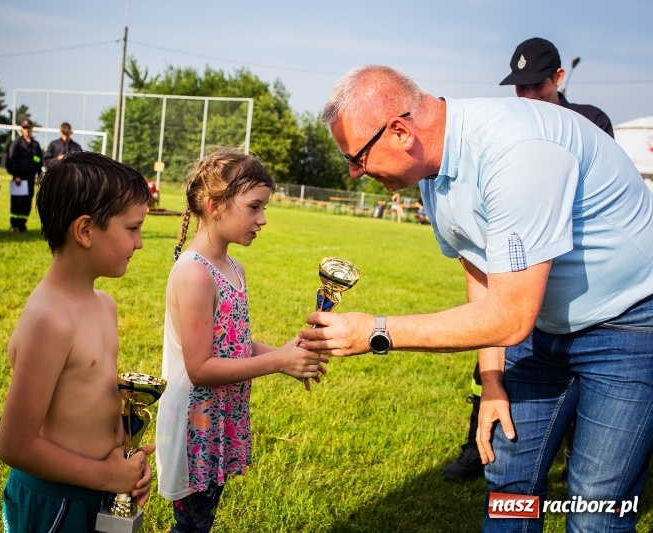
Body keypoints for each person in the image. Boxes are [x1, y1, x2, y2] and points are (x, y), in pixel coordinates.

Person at [300, 65, 653, 532]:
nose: (354, 172)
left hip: (629, 323)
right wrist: (492, 381)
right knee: (509, 477)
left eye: (357, 157)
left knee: (595, 503)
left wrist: (377, 331)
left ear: (401, 132)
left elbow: (509, 317)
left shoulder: (517, 150)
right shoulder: (433, 170)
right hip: (541, 326)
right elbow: (481, 274)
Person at [443, 37, 616, 483]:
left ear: (559, 78)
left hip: (573, 281)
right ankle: (478, 447)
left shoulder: (591, 122)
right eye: (519, 87)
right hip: (516, 271)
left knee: (585, 381)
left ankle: (579, 456)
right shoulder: (508, 127)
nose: (527, 96)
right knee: (496, 363)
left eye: (536, 85)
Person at [155, 148, 327, 532]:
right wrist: (278, 362)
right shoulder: (194, 275)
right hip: (195, 424)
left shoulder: (234, 267)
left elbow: (235, 345)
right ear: (215, 205)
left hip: (220, 416)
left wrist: (289, 354)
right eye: (254, 207)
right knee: (191, 526)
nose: (262, 219)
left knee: (204, 517)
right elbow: (200, 369)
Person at [0, 152, 155, 531]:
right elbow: (14, 445)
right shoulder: (49, 321)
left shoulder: (104, 305)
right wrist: (105, 476)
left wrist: (126, 462)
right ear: (85, 231)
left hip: (96, 489)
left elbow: (96, 402)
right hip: (55, 502)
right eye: (132, 229)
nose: (140, 243)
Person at [6, 117, 43, 232]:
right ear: (21, 129)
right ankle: (14, 225)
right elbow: (11, 161)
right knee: (17, 203)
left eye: (29, 127)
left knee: (27, 203)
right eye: (24, 127)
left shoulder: (36, 145)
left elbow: (38, 161)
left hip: (30, 178)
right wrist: (16, 175)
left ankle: (22, 225)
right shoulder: (16, 143)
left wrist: (39, 175)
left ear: (32, 128)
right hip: (19, 179)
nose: (27, 130)